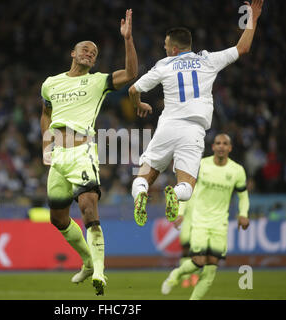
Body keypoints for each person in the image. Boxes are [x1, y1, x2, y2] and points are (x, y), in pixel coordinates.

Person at [128, 0, 263, 226]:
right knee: (187, 186)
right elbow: (243, 48)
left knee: (144, 175)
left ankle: (141, 194)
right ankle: (175, 193)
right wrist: (253, 19)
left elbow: (134, 89)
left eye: (165, 46)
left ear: (173, 49)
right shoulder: (207, 60)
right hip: (193, 130)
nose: (164, 49)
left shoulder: (164, 64)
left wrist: (138, 104)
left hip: (167, 126)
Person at [40, 9, 138, 295]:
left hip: (83, 152)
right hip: (58, 156)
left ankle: (99, 272)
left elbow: (132, 73)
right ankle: (86, 260)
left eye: (94, 52)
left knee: (87, 207)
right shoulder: (51, 83)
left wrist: (128, 39)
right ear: (73, 52)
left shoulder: (98, 81)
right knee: (57, 219)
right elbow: (45, 114)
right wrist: (47, 147)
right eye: (85, 48)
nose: (90, 53)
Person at [161, 133, 250, 300]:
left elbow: (243, 196)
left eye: (225, 143)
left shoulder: (237, 171)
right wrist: (180, 213)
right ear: (213, 147)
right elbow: (187, 190)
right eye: (218, 143)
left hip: (220, 225)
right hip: (200, 222)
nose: (221, 146)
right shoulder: (201, 165)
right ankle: (176, 274)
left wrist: (243, 214)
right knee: (199, 261)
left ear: (229, 148)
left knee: (210, 270)